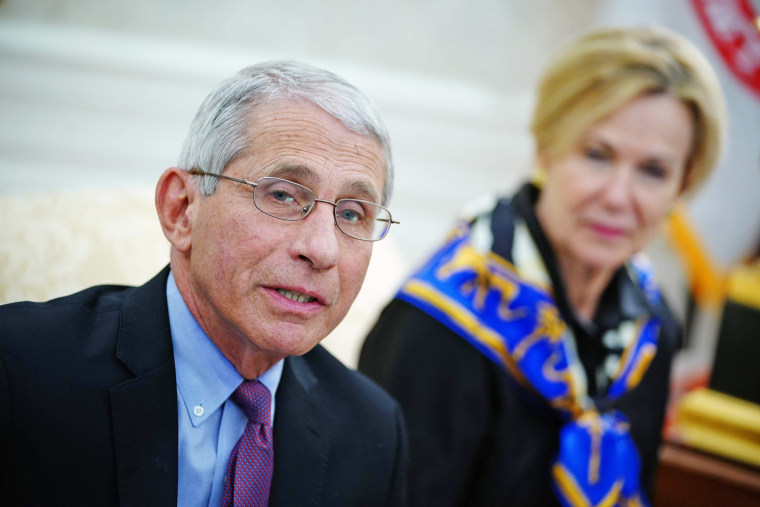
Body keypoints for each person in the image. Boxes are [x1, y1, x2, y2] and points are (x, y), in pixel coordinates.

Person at [0, 61, 407, 506]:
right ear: (182, 210)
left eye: (351, 214)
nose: (323, 250)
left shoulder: (373, 432)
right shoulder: (21, 370)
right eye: (284, 195)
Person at [359, 26, 725, 506]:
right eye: (597, 155)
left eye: (653, 171)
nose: (618, 196)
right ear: (546, 150)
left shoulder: (652, 326)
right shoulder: (437, 327)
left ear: (683, 185)